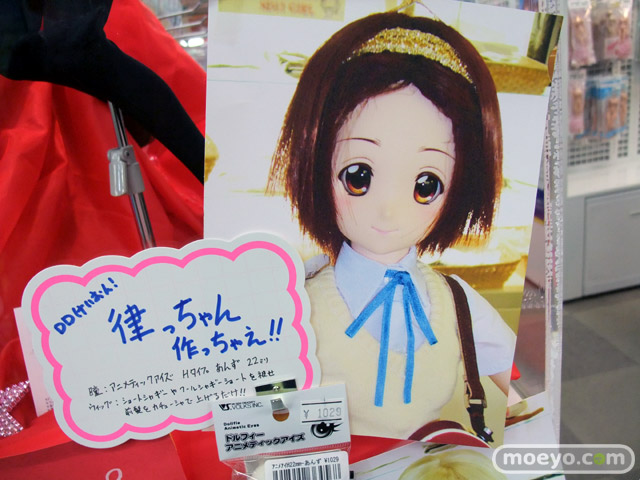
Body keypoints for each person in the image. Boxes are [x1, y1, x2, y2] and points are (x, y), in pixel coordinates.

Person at [268, 11, 515, 439]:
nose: (388, 212)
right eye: (358, 177)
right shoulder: (295, 302)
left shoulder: (455, 302)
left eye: (426, 185)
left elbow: (520, 385)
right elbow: (264, 412)